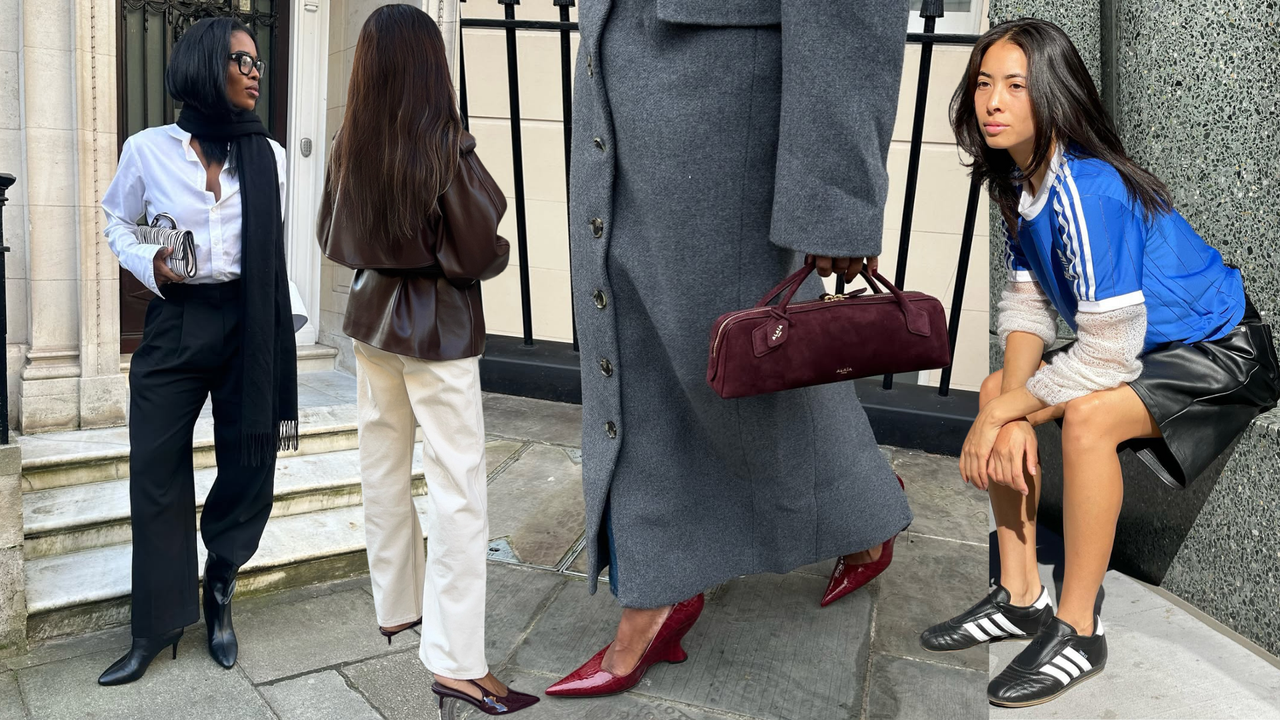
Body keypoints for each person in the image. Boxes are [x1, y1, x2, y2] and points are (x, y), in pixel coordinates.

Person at [546, 0, 914, 699]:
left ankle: (850, 511)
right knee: (641, 343)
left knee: (739, 358)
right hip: (622, 73)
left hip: (726, 96)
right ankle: (662, 586)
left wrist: (837, 195)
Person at [920, 18, 1280, 708]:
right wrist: (1010, 402)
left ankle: (1079, 628)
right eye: (984, 84)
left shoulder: (1088, 188)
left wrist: (1008, 412)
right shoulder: (1022, 184)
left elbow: (1107, 356)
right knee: (1002, 380)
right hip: (1139, 345)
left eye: (1015, 86)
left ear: (1052, 93)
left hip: (1220, 351)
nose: (991, 101)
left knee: (1086, 418)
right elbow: (1028, 309)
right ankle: (1021, 594)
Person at [316, 5, 537, 716]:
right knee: (458, 491)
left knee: (381, 464)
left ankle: (399, 606)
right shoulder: (443, 146)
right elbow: (478, 252)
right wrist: (493, 253)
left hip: (369, 325)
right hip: (435, 337)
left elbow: (330, 234)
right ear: (429, 64)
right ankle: (457, 663)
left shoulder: (354, 143)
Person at [98, 17, 298, 685]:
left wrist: (283, 321)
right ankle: (155, 625)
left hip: (249, 322)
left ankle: (219, 583)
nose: (254, 71)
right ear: (206, 67)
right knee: (155, 467)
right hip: (177, 319)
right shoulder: (148, 149)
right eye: (241, 60)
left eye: (257, 61)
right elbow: (116, 220)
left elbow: (270, 246)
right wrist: (150, 264)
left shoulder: (265, 154)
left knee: (251, 459)